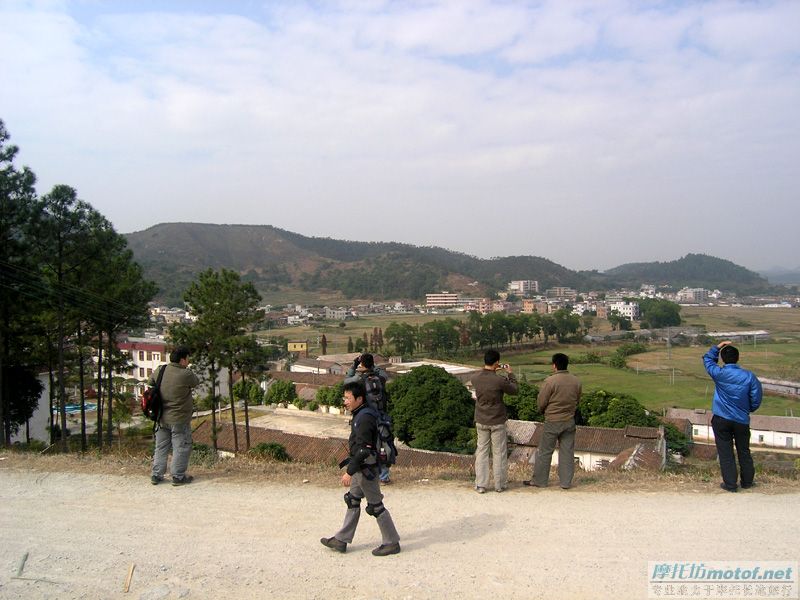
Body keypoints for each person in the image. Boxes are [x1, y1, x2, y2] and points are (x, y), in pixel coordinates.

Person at [321, 380, 401, 556]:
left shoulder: (364, 418)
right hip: (362, 468)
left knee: (376, 506)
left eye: (348, 398)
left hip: (366, 470)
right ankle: (341, 540)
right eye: (345, 398)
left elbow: (364, 450)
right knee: (353, 500)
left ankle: (392, 542)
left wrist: (349, 472)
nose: (345, 401)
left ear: (359, 398)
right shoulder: (362, 414)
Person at [703, 341, 762, 492]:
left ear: (722, 358)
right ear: (738, 358)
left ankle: (730, 484)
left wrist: (717, 346)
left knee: (725, 452)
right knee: (744, 451)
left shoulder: (720, 374)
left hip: (721, 418)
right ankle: (747, 482)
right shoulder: (749, 377)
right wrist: (748, 409)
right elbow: (756, 398)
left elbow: (707, 360)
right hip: (741, 419)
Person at [525, 353, 581, 489]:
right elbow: (578, 400)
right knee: (567, 451)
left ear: (554, 365)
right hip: (569, 420)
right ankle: (566, 482)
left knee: (545, 451)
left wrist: (542, 410)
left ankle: (540, 481)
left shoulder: (550, 381)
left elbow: (541, 401)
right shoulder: (576, 381)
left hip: (552, 420)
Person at [149, 346, 200, 486]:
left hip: (160, 417)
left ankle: (156, 475)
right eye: (188, 359)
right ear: (183, 360)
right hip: (179, 418)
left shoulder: (161, 369)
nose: (189, 361)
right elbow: (196, 382)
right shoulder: (186, 374)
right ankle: (178, 476)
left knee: (161, 447)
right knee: (181, 446)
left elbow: (150, 382)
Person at [470, 349, 518, 493]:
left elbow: (481, 374)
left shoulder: (475, 378)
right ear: (497, 363)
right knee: (499, 452)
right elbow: (514, 390)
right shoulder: (499, 380)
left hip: (481, 418)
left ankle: (481, 484)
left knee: (482, 452)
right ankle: (500, 484)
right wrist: (510, 373)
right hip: (497, 420)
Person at [344, 353, 393, 484]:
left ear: (362, 364)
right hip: (382, 416)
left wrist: (354, 365)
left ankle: (366, 472)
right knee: (384, 444)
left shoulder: (359, 380)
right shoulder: (380, 378)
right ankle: (384, 476)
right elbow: (384, 374)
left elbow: (346, 381)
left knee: (364, 444)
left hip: (366, 417)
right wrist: (372, 365)